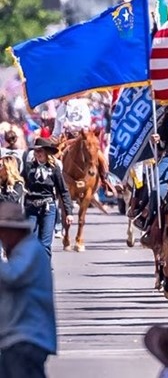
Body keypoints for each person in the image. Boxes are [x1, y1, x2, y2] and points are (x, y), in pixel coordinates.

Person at [0, 201, 57, 378]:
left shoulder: (30, 250)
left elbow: (11, 277)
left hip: (27, 337)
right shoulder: (23, 251)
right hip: (17, 337)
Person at [22, 137, 74, 257]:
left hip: (48, 207)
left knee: (45, 242)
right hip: (31, 207)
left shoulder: (54, 169)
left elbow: (63, 190)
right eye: (36, 151)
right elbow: (20, 182)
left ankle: (44, 269)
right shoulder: (29, 167)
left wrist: (69, 212)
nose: (37, 154)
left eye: (40, 151)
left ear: (46, 153)